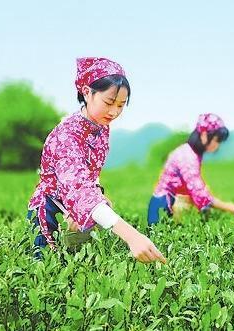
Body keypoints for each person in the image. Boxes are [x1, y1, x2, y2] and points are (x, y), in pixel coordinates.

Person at [27, 57, 166, 264]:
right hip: (49, 211)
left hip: (72, 205)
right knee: (47, 269)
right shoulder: (67, 136)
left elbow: (90, 173)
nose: (114, 112)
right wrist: (132, 236)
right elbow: (78, 188)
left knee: (86, 263)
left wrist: (95, 195)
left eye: (121, 105)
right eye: (109, 102)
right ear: (86, 92)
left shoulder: (101, 127)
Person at [147, 113, 234, 225]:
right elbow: (200, 194)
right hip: (162, 209)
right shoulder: (187, 157)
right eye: (217, 140)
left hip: (169, 203)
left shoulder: (192, 152)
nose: (217, 145)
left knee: (204, 193)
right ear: (204, 135)